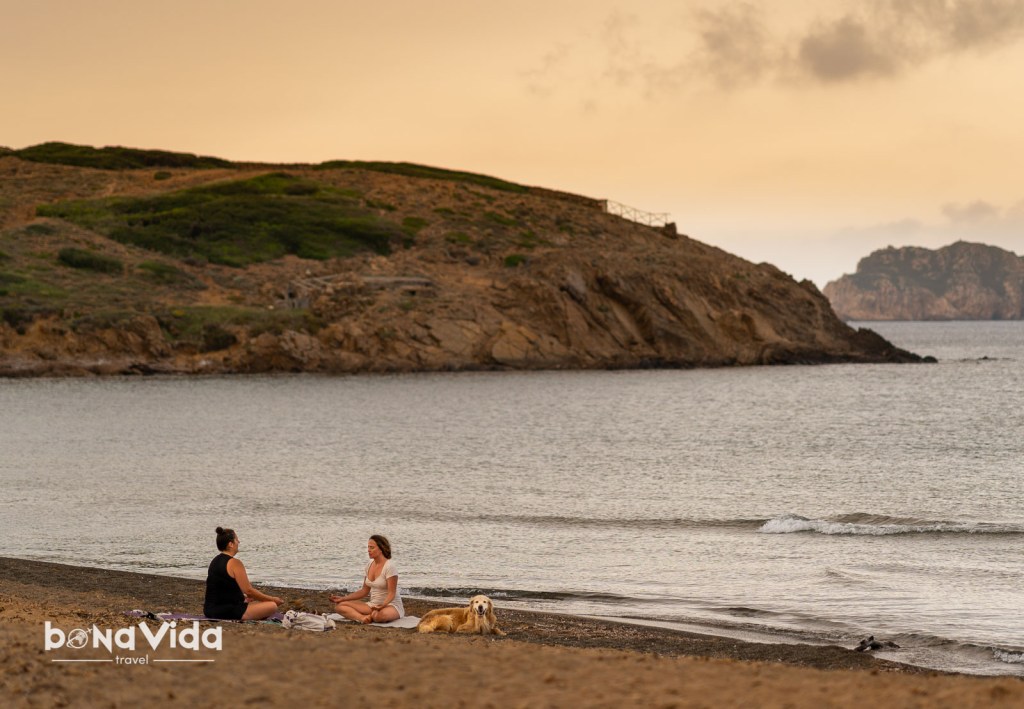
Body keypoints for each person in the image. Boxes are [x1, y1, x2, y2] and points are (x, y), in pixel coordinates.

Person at [203, 526, 283, 620]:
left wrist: (242, 598)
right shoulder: (235, 563)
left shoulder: (214, 561)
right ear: (231, 544)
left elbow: (222, 589)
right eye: (237, 540)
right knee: (272, 605)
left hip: (209, 610)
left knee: (255, 603)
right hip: (227, 611)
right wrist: (273, 599)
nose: (239, 542)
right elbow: (249, 590)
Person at [329, 534, 405, 623]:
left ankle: (372, 615)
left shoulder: (389, 567)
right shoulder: (369, 565)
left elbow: (392, 593)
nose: (368, 550)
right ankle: (363, 618)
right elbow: (364, 591)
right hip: (373, 605)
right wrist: (343, 598)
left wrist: (383, 605)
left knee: (379, 616)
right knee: (339, 606)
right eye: (368, 547)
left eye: (372, 547)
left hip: (391, 605)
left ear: (381, 549)